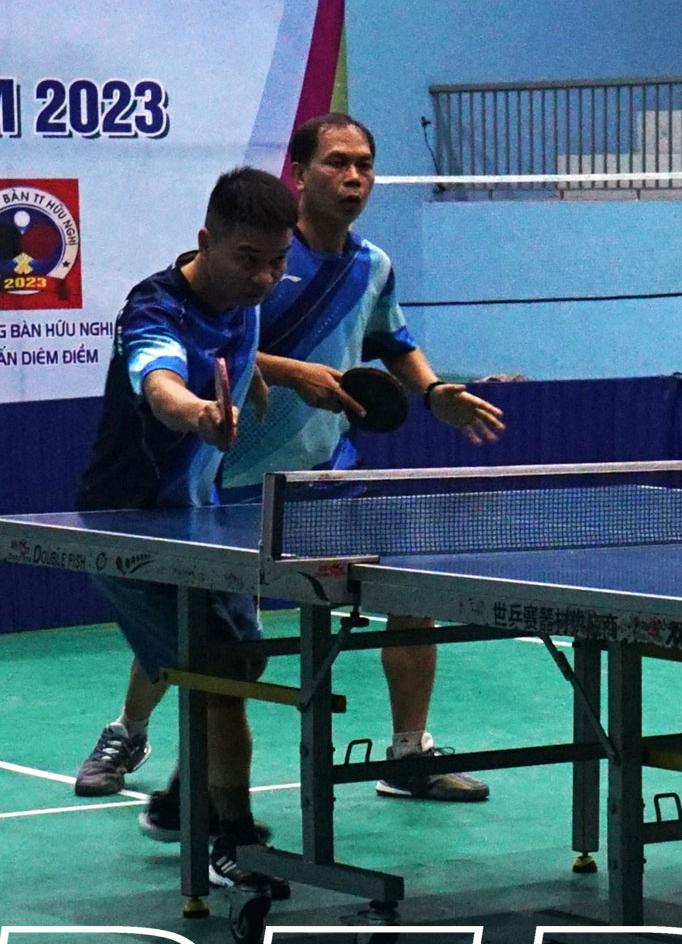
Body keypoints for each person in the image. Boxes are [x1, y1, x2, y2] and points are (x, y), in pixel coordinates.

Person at [75, 114, 515, 811]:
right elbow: (193, 351)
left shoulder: (370, 266)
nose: (353, 177)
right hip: (235, 478)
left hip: (326, 472)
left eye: (364, 164)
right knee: (202, 634)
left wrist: (433, 392)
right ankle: (132, 735)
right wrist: (284, 376)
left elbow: (391, 341)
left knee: (406, 592)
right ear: (300, 173)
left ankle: (407, 752)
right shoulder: (248, 263)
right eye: (337, 162)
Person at [75, 168, 301, 883]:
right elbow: (160, 382)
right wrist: (199, 412)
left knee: (244, 660)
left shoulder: (244, 299)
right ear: (206, 241)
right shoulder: (153, 307)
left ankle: (182, 803)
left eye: (278, 262)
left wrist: (255, 374)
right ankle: (231, 837)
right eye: (249, 259)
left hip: (196, 519)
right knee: (220, 670)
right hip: (128, 524)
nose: (264, 277)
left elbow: (231, 344)